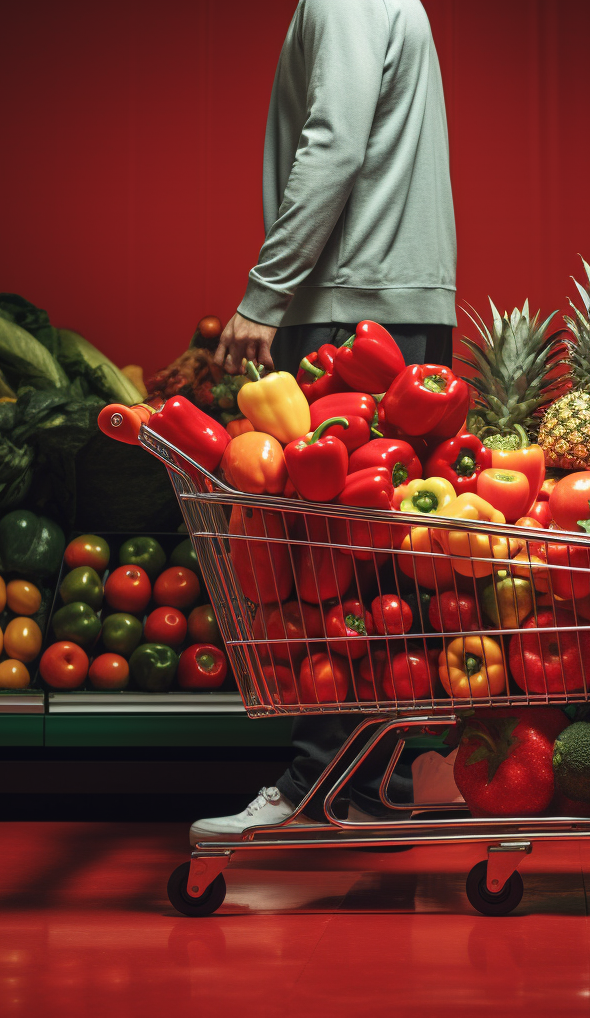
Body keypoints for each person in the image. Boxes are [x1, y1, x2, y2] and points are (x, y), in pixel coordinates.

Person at [190, 0, 455, 843]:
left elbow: (335, 140)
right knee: (384, 570)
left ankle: (316, 786)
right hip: (392, 296)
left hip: (348, 300)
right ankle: (381, 778)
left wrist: (267, 293)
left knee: (328, 566)